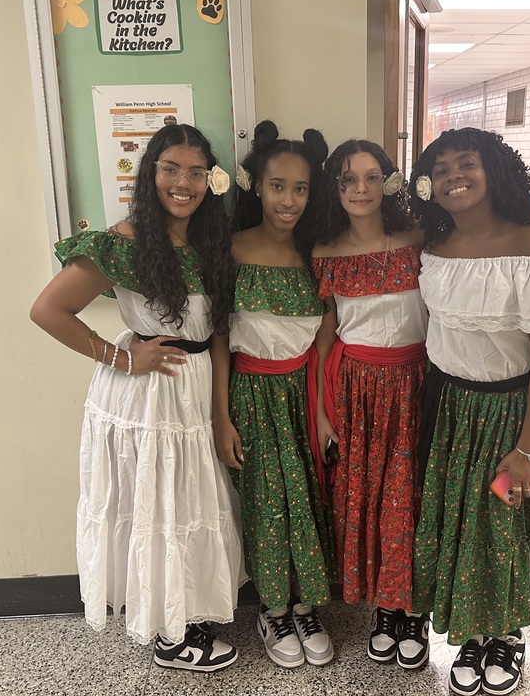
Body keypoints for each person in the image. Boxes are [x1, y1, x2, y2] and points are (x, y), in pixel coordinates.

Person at [29, 124, 245, 673]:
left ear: (210, 181)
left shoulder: (212, 242)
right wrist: (123, 357)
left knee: (190, 500)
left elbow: (218, 334)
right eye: (171, 169)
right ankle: (168, 633)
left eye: (196, 172)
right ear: (150, 175)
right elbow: (47, 311)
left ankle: (186, 612)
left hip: (196, 390)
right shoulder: (121, 242)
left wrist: (222, 417)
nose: (184, 182)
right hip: (150, 397)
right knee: (158, 505)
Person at [408, 128, 530, 696]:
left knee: (504, 518)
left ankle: (506, 636)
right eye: (441, 169)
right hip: (452, 409)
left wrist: (529, 446)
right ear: (428, 185)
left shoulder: (528, 246)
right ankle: (470, 633)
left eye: (468, 164)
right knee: (464, 521)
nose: (454, 176)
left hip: (511, 414)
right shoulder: (433, 248)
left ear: (495, 173)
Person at [211, 120, 336, 670]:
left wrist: (324, 407)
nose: (289, 200)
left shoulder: (319, 253)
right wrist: (221, 417)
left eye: (301, 188)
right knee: (266, 505)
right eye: (278, 185)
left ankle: (306, 604)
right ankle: (273, 608)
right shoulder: (231, 251)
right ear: (256, 186)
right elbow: (217, 338)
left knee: (308, 499)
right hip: (252, 394)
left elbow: (332, 326)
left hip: (304, 391)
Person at [310, 139, 430, 669]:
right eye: (347, 179)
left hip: (417, 384)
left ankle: (414, 612)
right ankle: (384, 608)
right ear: (335, 189)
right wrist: (320, 413)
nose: (360, 188)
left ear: (389, 182)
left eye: (370, 177)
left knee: (413, 498)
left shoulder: (418, 242)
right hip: (355, 389)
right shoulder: (324, 253)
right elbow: (323, 339)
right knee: (368, 499)